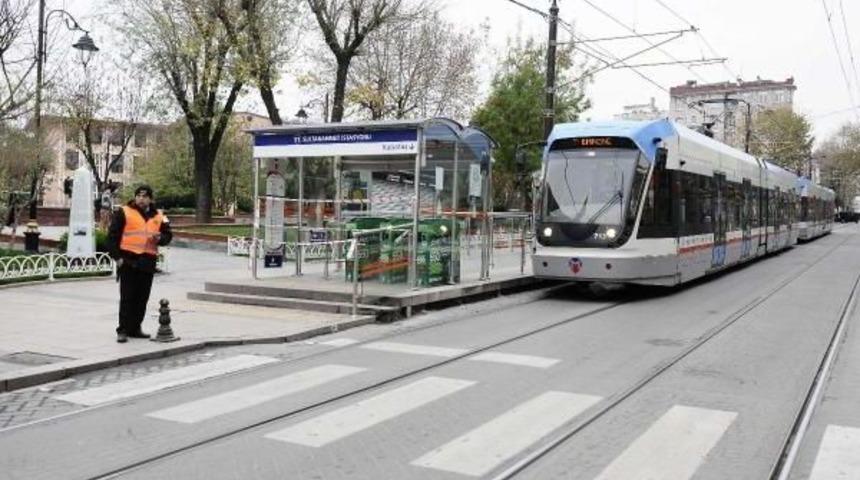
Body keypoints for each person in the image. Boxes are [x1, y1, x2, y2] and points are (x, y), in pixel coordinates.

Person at [107, 185, 172, 343]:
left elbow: (168, 235)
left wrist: (161, 238)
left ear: (151, 199)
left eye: (145, 196)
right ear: (135, 197)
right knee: (127, 298)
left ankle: (135, 328)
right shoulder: (124, 212)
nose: (141, 199)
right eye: (139, 196)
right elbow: (112, 237)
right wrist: (117, 258)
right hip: (128, 261)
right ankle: (122, 330)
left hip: (147, 261)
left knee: (142, 298)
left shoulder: (159, 215)